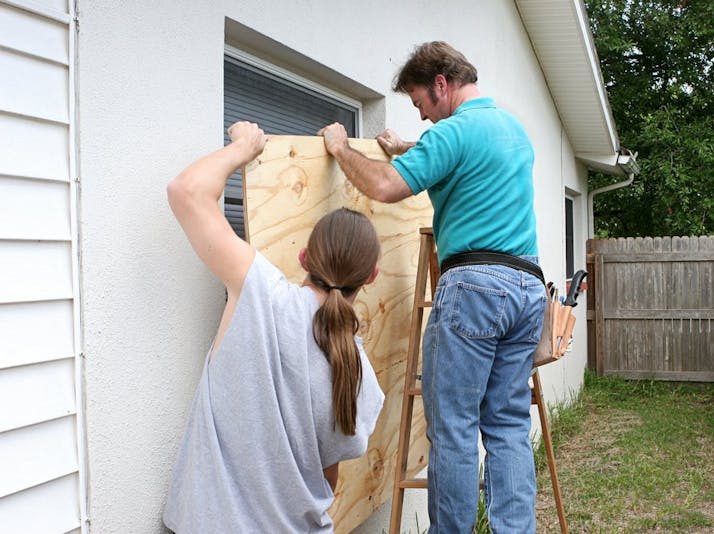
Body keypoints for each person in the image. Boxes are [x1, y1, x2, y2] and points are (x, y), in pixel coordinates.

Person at [317, 41, 546, 533]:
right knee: (507, 425)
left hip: (475, 289)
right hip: (528, 289)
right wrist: (409, 149)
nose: (423, 118)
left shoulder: (454, 133)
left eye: (421, 103)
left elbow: (382, 187)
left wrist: (339, 148)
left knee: (456, 429)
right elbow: (462, 165)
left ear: (442, 84)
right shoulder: (513, 130)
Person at [162, 121, 385, 533]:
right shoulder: (358, 372)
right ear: (371, 277)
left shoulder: (261, 293)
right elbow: (327, 479)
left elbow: (187, 191)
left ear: (303, 258)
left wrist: (244, 148)